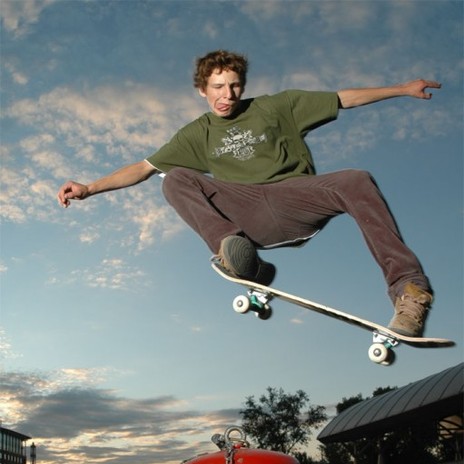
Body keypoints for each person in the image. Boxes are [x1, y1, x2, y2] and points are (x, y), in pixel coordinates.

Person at [57, 50, 440, 337]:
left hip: (295, 199)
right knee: (173, 179)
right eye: (218, 87)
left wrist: (402, 89)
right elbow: (142, 169)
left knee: (356, 179)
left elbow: (343, 98)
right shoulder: (197, 133)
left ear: (244, 83)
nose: (228, 95)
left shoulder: (278, 106)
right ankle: (239, 258)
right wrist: (90, 188)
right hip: (246, 213)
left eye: (235, 85)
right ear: (202, 90)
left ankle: (410, 291)